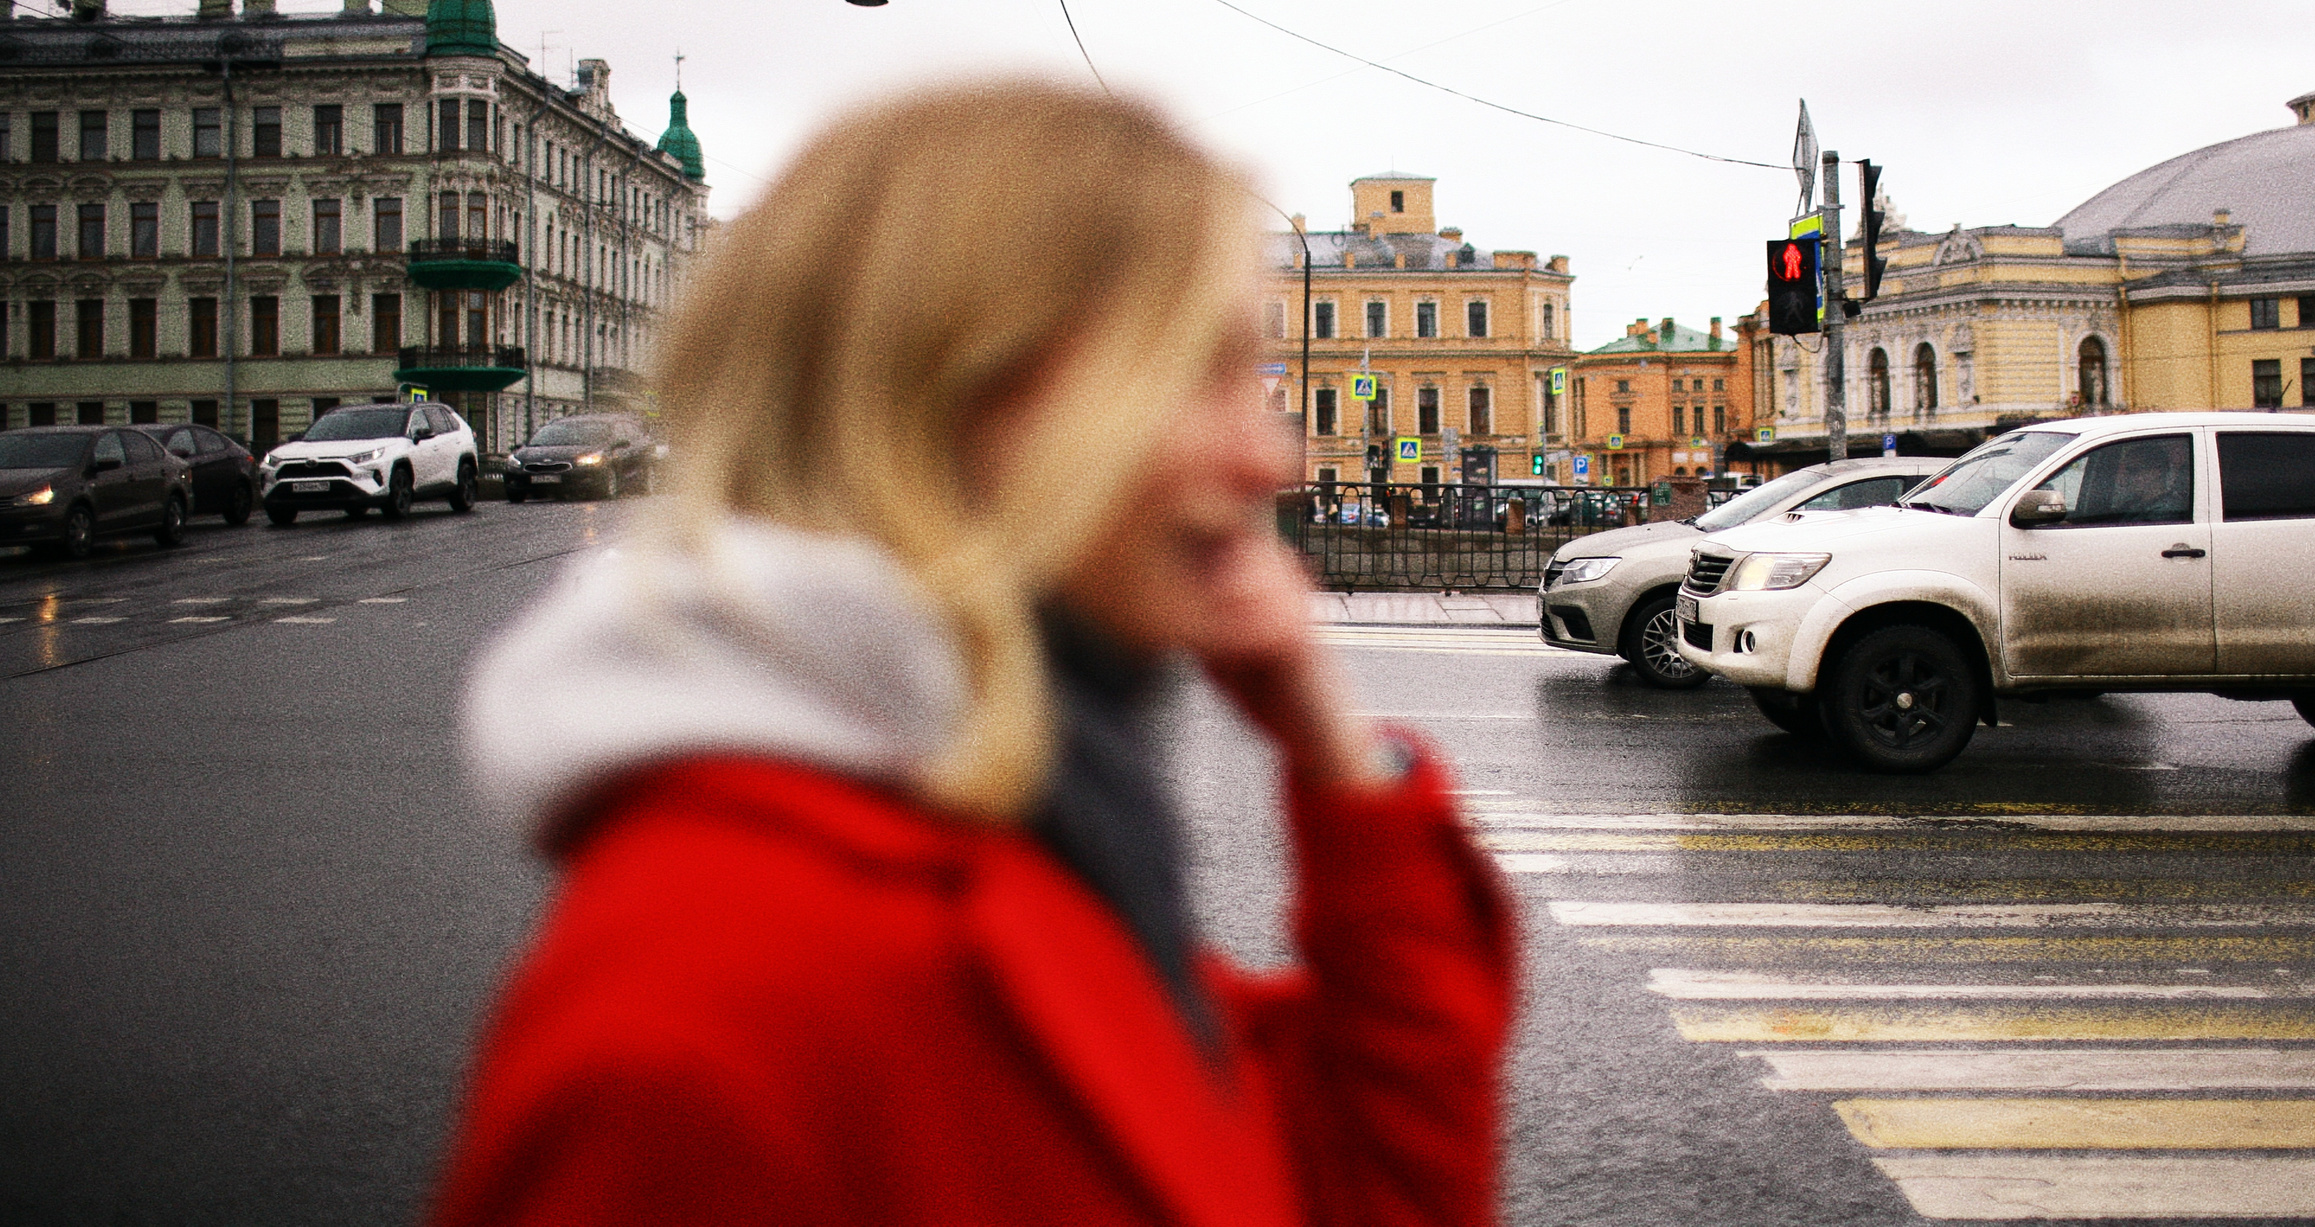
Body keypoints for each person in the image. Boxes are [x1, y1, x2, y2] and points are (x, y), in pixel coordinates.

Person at [429, 81, 1514, 1227]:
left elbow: (1376, 1187)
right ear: (958, 386)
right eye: (1199, 374)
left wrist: (1340, 759)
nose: (1272, 462)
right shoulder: (715, 1006)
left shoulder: (1019, 815)